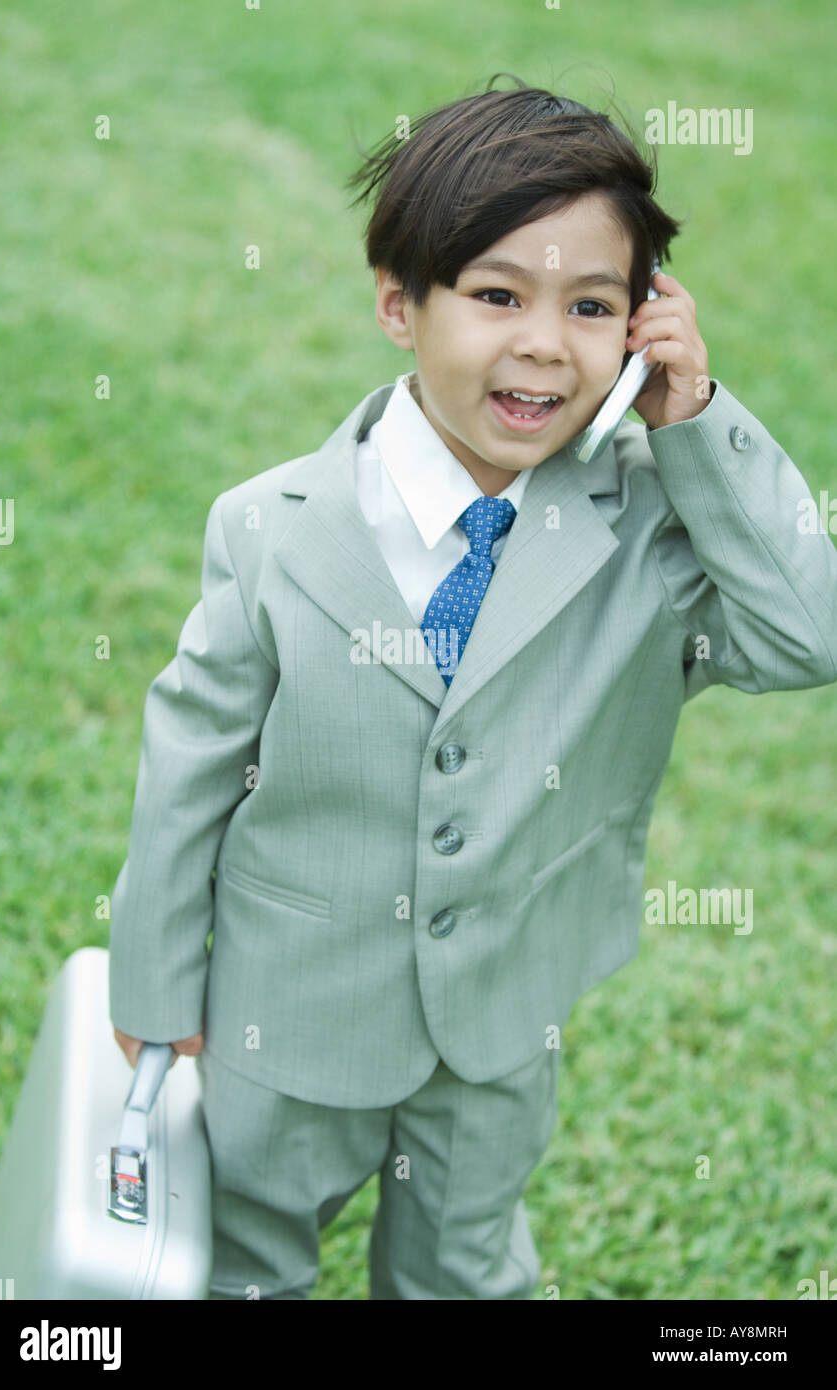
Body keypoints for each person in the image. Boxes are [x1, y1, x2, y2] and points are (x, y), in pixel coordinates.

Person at [108, 76, 837, 1300]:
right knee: (244, 1262)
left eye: (592, 305)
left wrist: (695, 420)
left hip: (503, 1025)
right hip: (285, 1021)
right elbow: (186, 769)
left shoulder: (652, 539)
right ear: (401, 303)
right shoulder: (273, 531)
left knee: (465, 1268)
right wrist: (154, 988)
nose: (545, 343)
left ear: (642, 323)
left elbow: (808, 634)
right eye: (497, 295)